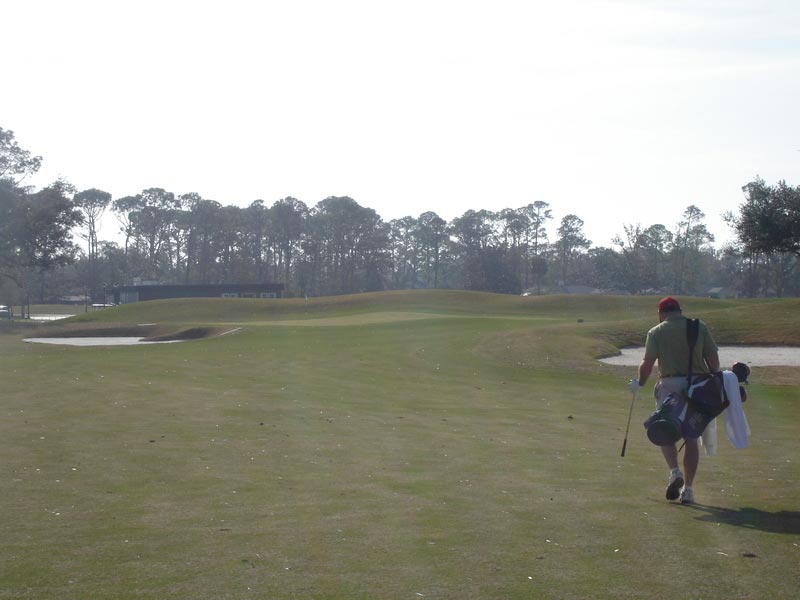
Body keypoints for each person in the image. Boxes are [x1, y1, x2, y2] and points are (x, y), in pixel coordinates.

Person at [628, 297, 720, 504]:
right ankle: (688, 490)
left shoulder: (657, 331)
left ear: (661, 313)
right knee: (692, 438)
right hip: (698, 389)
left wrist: (640, 383)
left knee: (664, 429)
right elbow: (713, 361)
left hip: (669, 388)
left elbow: (647, 363)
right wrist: (716, 383)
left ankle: (674, 471)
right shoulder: (699, 327)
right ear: (680, 311)